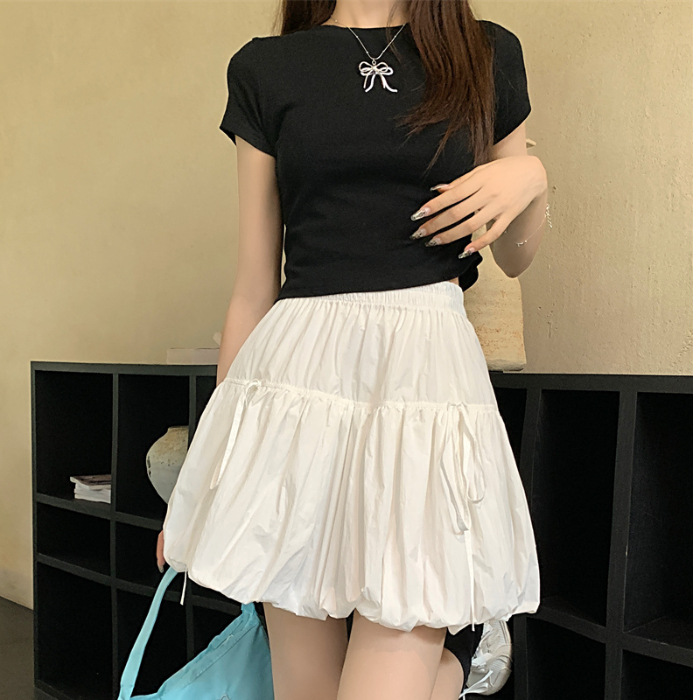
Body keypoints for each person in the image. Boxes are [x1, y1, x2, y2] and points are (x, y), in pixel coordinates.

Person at [156, 1, 545, 698]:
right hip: (296, 383)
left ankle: (454, 663)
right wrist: (211, 477)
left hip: (422, 379)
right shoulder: (268, 68)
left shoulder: (485, 52)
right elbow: (254, 286)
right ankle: (459, 668)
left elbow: (516, 256)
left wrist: (531, 176)